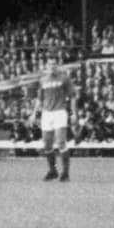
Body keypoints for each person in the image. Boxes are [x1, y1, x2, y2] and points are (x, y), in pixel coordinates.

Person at [31, 54, 77, 182]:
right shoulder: (43, 80)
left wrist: (73, 114)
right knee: (47, 145)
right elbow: (40, 99)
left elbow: (72, 96)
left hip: (60, 112)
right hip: (47, 113)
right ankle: (53, 171)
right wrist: (34, 114)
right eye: (50, 64)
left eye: (54, 64)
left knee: (61, 142)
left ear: (58, 66)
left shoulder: (64, 78)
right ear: (47, 66)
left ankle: (65, 173)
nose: (52, 67)